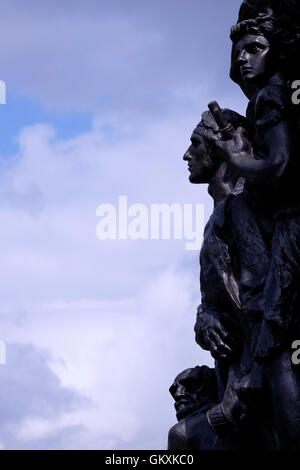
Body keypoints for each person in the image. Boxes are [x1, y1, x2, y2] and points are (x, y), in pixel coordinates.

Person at [203, 2, 300, 448]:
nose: (244, 58)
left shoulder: (270, 96)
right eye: (239, 50)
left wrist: (233, 156)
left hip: (292, 228)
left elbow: (277, 166)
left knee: (277, 349)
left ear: (277, 52)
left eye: (255, 48)